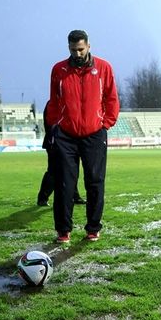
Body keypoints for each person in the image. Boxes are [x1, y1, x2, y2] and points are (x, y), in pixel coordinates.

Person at [46, 30, 120, 243]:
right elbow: (54, 101)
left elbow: (111, 98)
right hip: (65, 136)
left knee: (95, 182)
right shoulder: (58, 69)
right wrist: (55, 127)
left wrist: (105, 124)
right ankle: (63, 231)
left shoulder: (104, 68)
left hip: (94, 134)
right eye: (73, 50)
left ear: (88, 46)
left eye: (80, 49)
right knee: (64, 184)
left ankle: (93, 228)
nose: (77, 54)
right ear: (68, 48)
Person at [37, 101, 85, 207]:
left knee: (72, 170)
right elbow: (51, 124)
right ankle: (43, 197)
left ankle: (74, 195)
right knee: (53, 171)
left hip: (69, 142)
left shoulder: (64, 102)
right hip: (55, 142)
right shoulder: (53, 104)